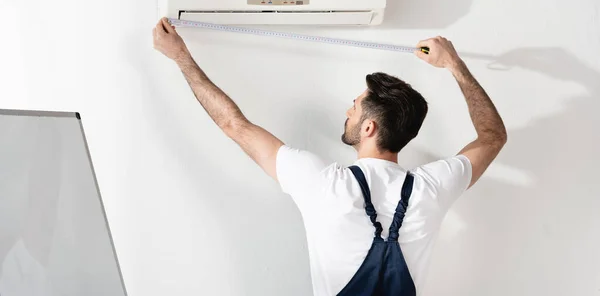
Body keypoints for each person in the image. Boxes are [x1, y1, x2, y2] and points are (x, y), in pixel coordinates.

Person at [152, 17, 507, 296]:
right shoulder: (432, 187)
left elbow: (234, 124)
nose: (347, 112)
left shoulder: (323, 183)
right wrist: (454, 65)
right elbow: (492, 136)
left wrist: (181, 57)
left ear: (368, 128)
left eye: (353, 108)